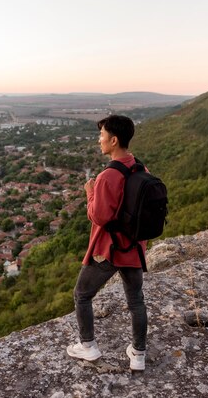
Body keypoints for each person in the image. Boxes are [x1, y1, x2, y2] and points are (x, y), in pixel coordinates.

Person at [66, 114, 148, 371]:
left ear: (113, 140)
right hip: (134, 248)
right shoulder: (140, 168)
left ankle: (88, 346)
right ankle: (138, 354)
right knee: (136, 300)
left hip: (109, 250)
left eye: (101, 136)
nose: (98, 140)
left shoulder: (107, 176)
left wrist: (90, 192)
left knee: (82, 295)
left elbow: (99, 216)